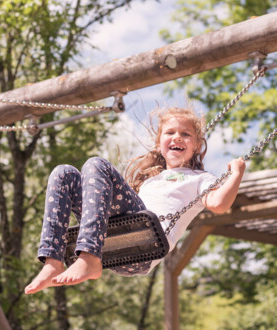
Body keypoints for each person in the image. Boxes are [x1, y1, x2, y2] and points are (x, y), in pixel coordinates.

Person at [25, 107, 246, 293]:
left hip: (145, 245)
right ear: (159, 142)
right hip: (115, 241)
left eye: (186, 134)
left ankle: (89, 257)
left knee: (96, 164)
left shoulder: (199, 179)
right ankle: (53, 262)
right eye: (170, 132)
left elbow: (219, 204)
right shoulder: (150, 179)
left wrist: (236, 173)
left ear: (196, 145)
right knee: (63, 174)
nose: (177, 137)